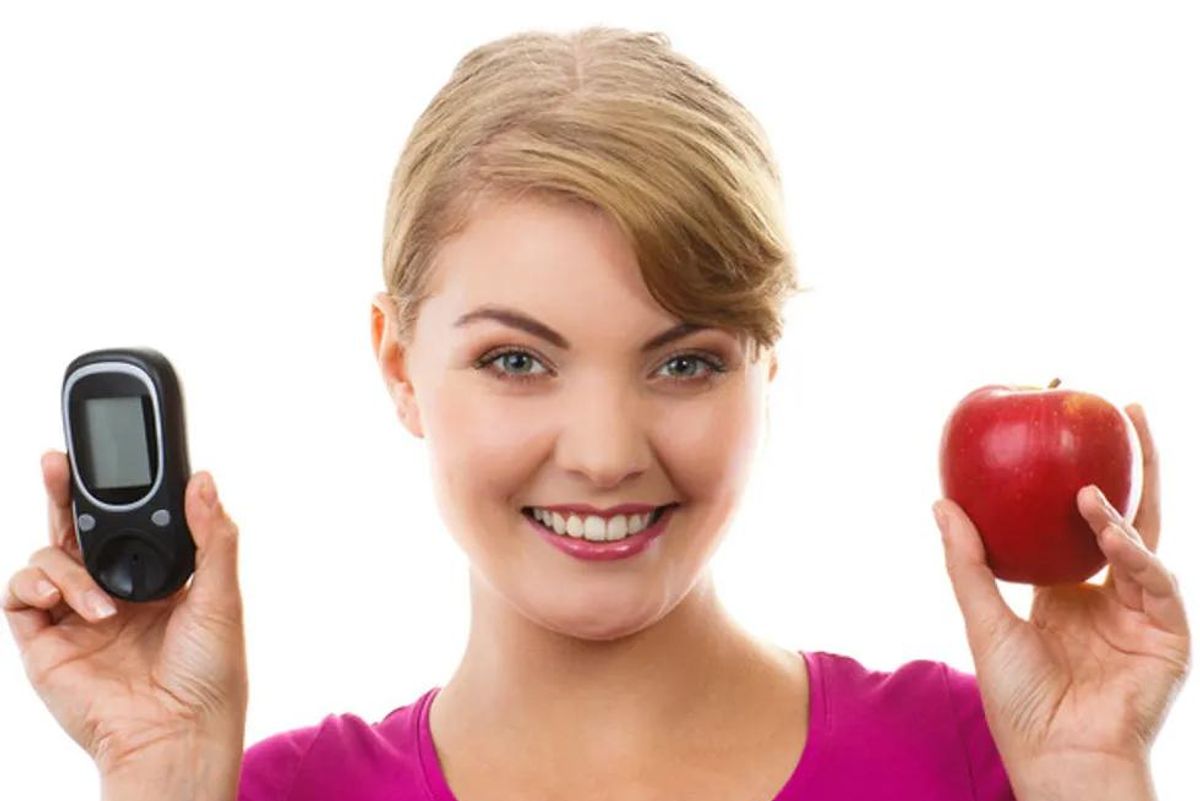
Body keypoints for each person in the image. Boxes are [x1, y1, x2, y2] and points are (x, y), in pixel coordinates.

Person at [6, 25, 1190, 801]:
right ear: (399, 365)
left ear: (765, 365)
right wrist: (157, 774)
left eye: (683, 364)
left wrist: (1092, 774)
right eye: (519, 361)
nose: (609, 454)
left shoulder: (989, 760)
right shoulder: (241, 793)